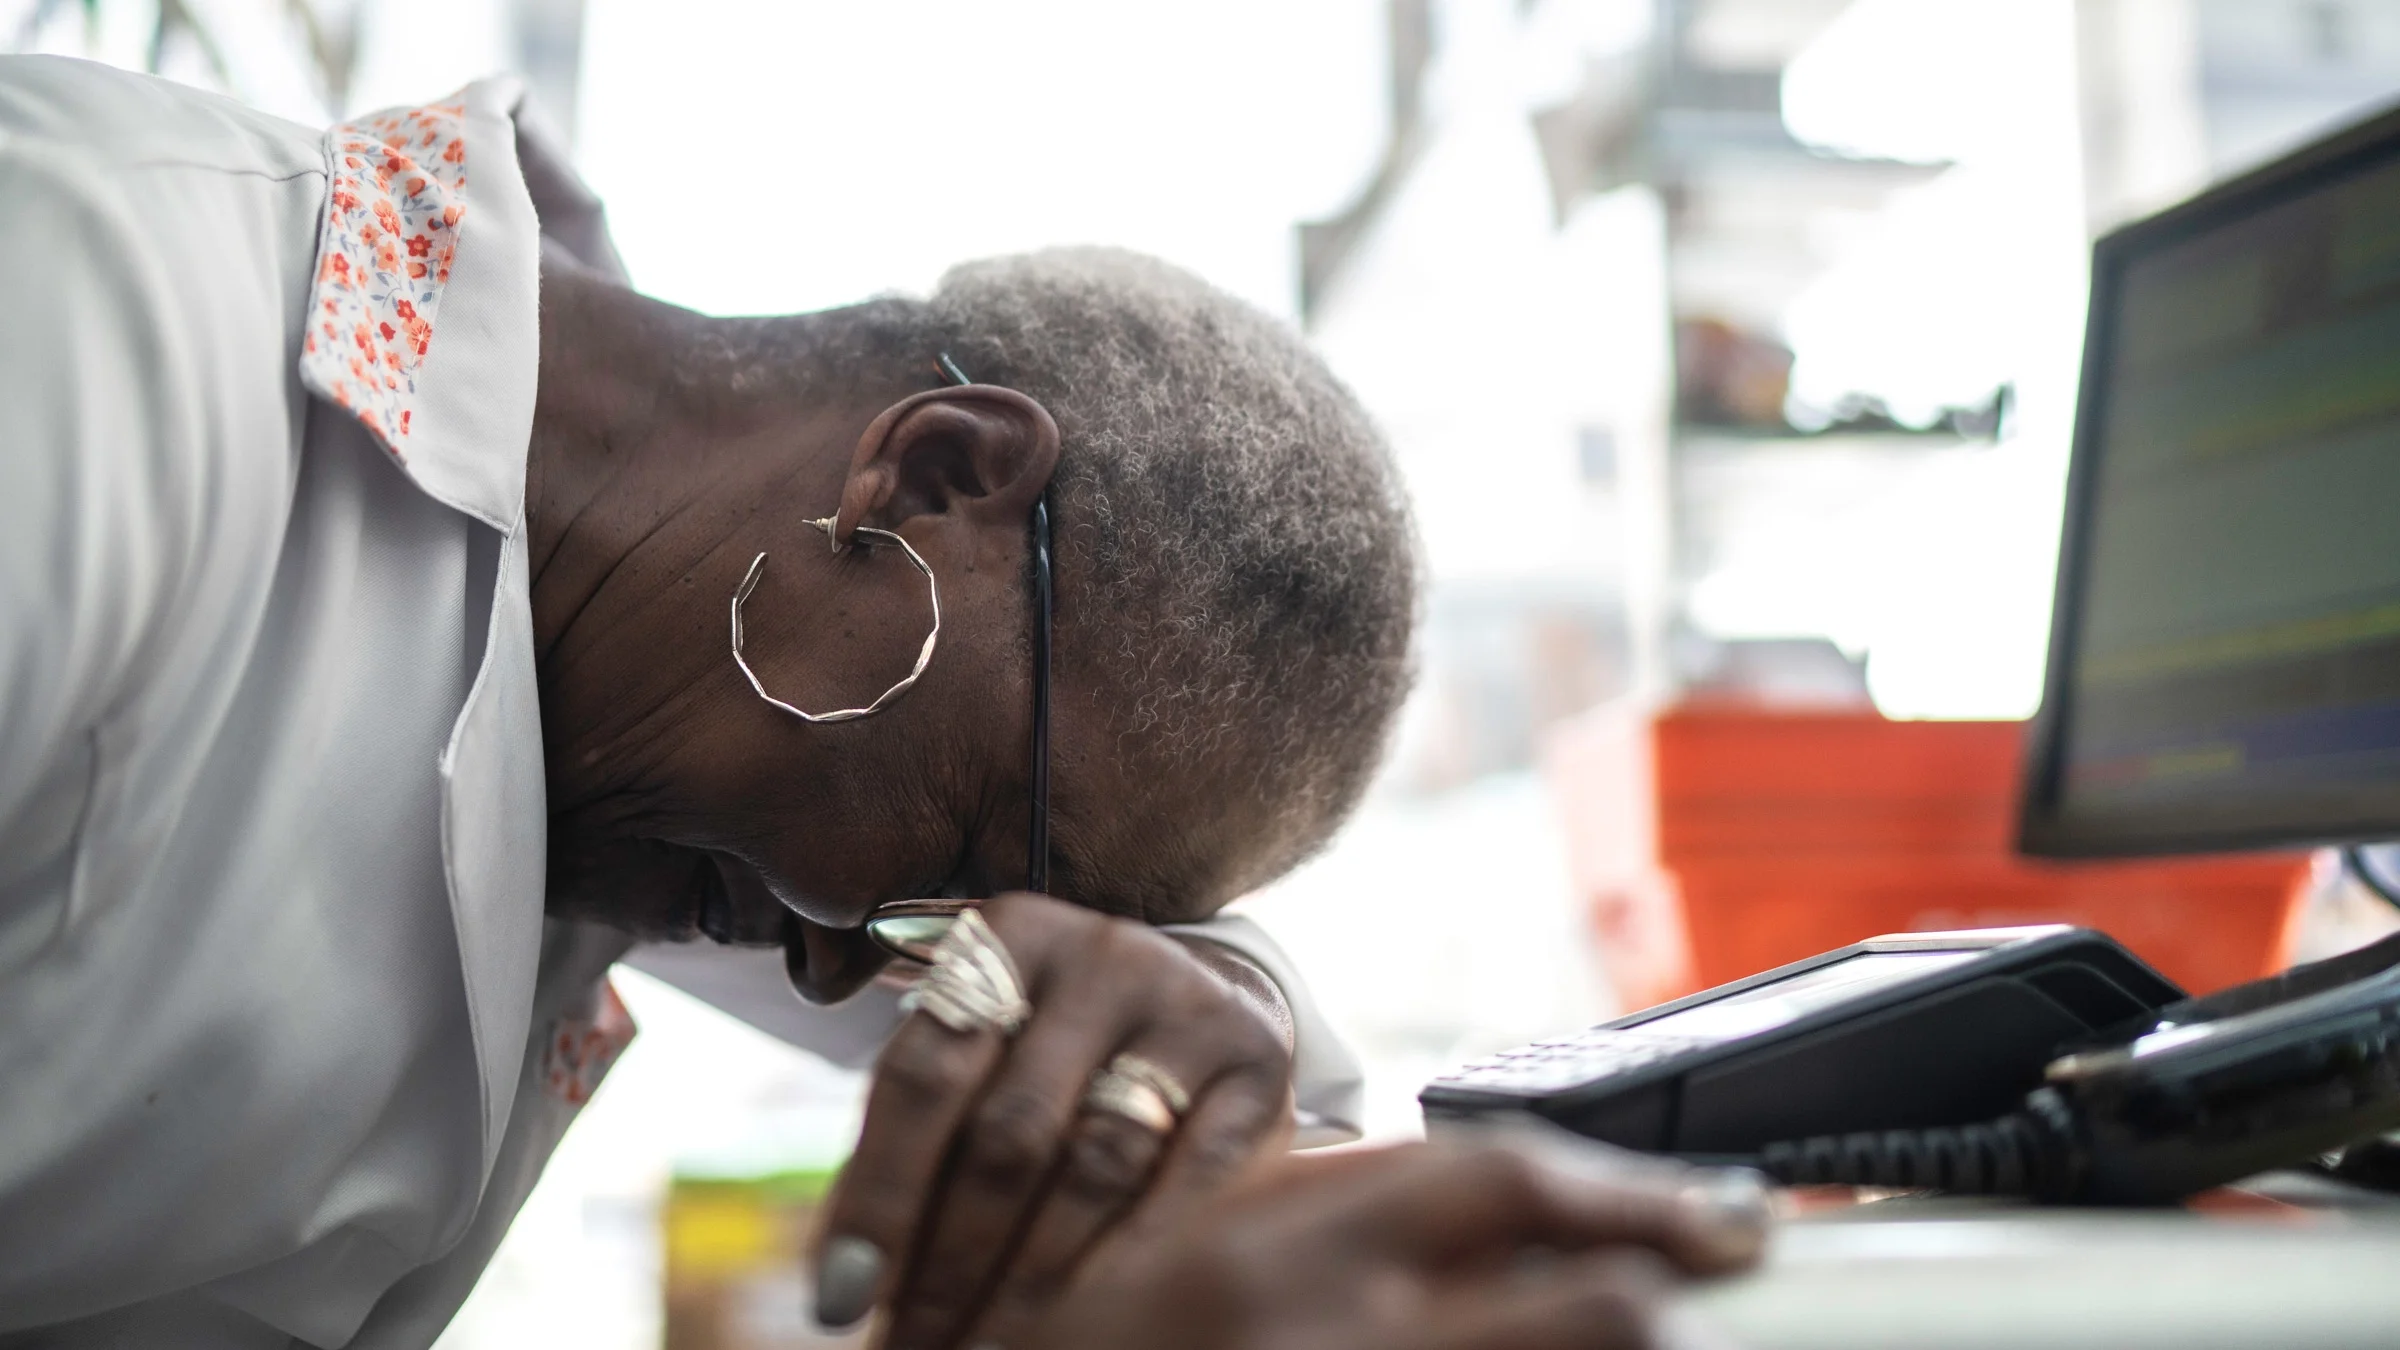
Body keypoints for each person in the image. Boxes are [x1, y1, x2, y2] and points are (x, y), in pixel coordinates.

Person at [0, 55, 1768, 1348]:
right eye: (968, 850)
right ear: (926, 480)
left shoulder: (635, 690)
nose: (848, 965)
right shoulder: (95, 327)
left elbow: (1209, 1078)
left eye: (972, 924)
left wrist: (1200, 993)